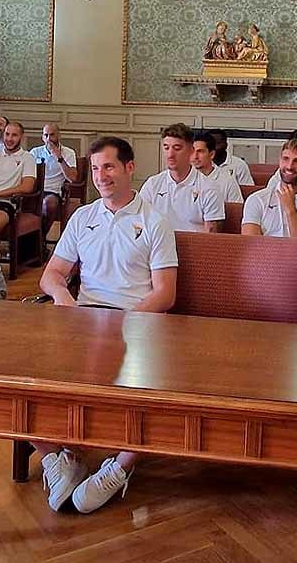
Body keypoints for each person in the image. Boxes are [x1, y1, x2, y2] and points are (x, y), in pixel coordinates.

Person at [37, 136, 178, 514]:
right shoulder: (83, 217)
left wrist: (124, 324)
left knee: (151, 387)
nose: (101, 176)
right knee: (23, 373)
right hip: (83, 317)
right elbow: (52, 276)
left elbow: (165, 293)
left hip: (136, 320)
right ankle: (57, 457)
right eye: (97, 168)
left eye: (109, 167)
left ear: (130, 168)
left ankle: (120, 467)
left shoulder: (155, 222)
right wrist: (64, 298)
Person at [139, 123, 225, 232]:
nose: (170, 155)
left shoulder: (209, 188)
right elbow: (139, 223)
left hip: (194, 242)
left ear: (191, 151)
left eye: (177, 148)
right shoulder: (152, 184)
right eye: (166, 148)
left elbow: (210, 235)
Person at [242, 137, 297, 238]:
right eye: (285, 159)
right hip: (265, 249)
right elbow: (251, 243)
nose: (289, 166)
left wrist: (291, 209)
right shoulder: (257, 199)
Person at [0, 120, 37, 252]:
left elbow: (27, 186)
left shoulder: (27, 158)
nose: (9, 139)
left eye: (14, 135)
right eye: (7, 134)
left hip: (6, 202)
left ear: (21, 137)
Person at [31, 124, 79, 235]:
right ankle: (31, 238)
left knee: (49, 204)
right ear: (42, 137)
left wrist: (59, 157)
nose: (48, 139)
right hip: (35, 190)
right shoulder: (35, 152)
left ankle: (40, 237)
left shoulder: (68, 153)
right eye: (46, 135)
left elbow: (72, 178)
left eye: (52, 135)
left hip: (53, 191)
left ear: (58, 135)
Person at [190, 131, 243, 203]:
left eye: (200, 151)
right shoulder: (184, 178)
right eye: (192, 151)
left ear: (212, 154)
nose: (195, 156)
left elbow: (236, 207)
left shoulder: (228, 181)